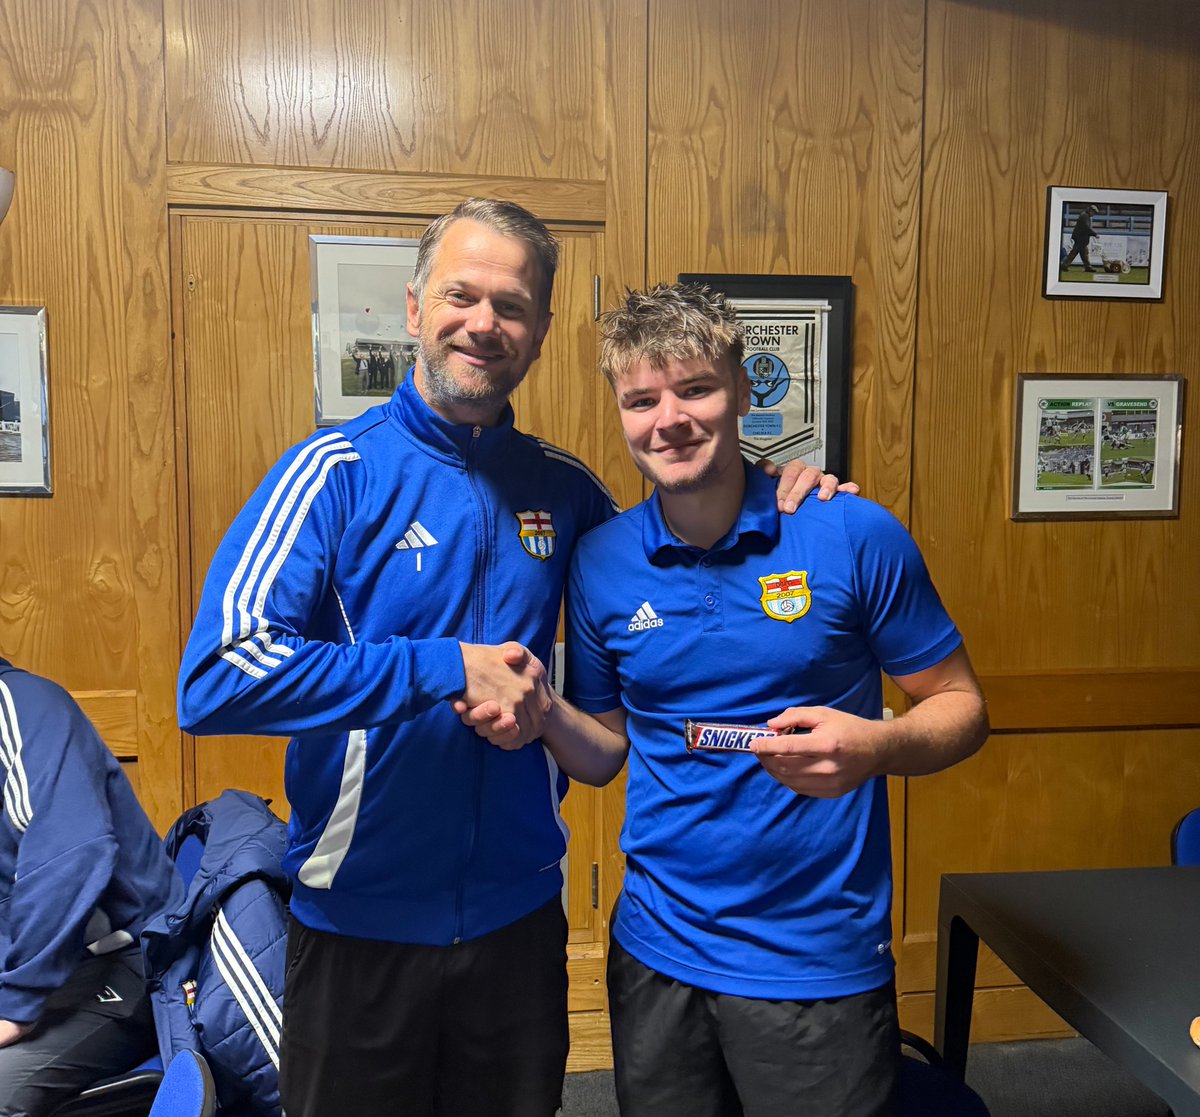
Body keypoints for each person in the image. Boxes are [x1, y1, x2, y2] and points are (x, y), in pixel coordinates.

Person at [177, 200, 846, 1117]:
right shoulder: (331, 473)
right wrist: (443, 667)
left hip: (521, 925)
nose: (484, 323)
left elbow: (684, 556)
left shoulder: (568, 491)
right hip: (359, 925)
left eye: (513, 306)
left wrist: (786, 484)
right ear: (416, 309)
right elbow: (216, 674)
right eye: (462, 295)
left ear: (538, 335)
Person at [463, 283, 989, 1116]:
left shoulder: (849, 531)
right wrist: (541, 713)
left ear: (744, 391)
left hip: (815, 958)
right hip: (656, 953)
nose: (668, 418)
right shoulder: (600, 561)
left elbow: (962, 705)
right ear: (623, 412)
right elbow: (605, 753)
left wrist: (879, 747)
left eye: (696, 388)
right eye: (642, 399)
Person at [0, 657, 182, 1117]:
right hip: (32, 966)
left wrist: (14, 1004)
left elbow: (71, 855)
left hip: (124, 962)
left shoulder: (24, 707)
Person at [1062, 203, 1101, 272]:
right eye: (1094, 212)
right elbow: (1086, 228)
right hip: (1080, 238)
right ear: (1091, 210)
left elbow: (1086, 228)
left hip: (1080, 238)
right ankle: (1064, 265)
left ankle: (1087, 266)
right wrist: (1094, 234)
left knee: (1083, 253)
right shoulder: (1085, 216)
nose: (1093, 214)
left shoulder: (1085, 215)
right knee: (1075, 252)